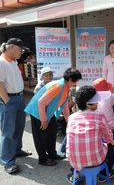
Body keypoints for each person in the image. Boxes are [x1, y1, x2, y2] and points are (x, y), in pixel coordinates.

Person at [24, 67, 82, 166]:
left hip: (49, 113)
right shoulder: (58, 86)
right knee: (41, 135)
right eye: (76, 81)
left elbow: (64, 105)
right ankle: (43, 159)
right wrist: (44, 119)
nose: (76, 84)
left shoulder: (66, 87)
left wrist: (69, 121)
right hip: (38, 111)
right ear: (70, 79)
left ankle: (52, 154)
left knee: (52, 131)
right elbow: (41, 102)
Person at [66, 85, 114, 183]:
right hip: (95, 159)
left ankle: (75, 173)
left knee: (76, 145)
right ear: (88, 104)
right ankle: (103, 175)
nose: (98, 102)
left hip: (74, 160)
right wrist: (112, 141)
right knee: (113, 145)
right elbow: (108, 137)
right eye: (96, 101)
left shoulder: (72, 117)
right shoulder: (99, 115)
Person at [0, 38, 32, 174]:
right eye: (20, 49)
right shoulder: (1, 62)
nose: (21, 52)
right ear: (11, 47)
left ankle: (17, 150)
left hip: (18, 98)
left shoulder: (12, 61)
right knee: (8, 132)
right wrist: (6, 100)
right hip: (10, 99)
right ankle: (7, 161)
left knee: (19, 128)